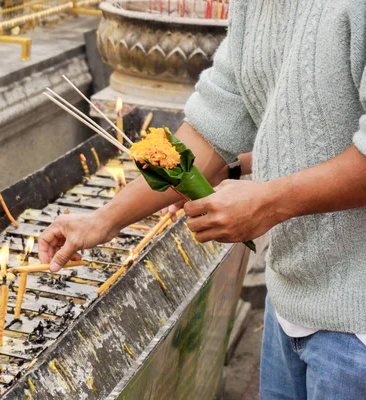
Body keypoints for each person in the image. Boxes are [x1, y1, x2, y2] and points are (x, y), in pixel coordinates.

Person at [38, 1, 366, 398]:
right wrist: (103, 220)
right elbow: (212, 126)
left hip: (356, 332)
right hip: (291, 305)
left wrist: (267, 202)